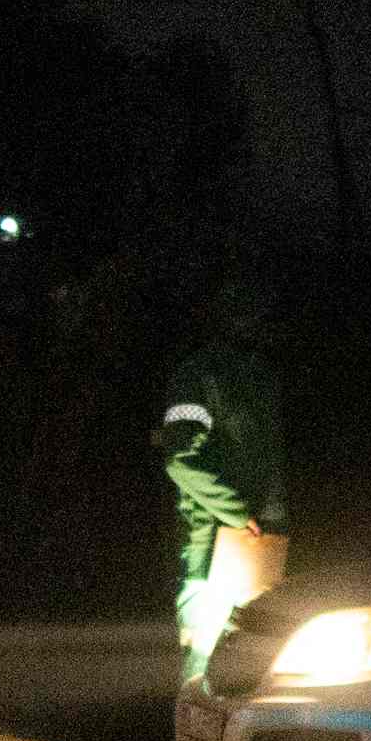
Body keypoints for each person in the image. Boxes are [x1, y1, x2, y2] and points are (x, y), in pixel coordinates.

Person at [159, 271, 289, 680]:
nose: (264, 325)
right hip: (214, 543)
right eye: (254, 316)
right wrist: (235, 511)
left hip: (259, 540)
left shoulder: (262, 375)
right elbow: (179, 458)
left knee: (248, 668)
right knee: (202, 665)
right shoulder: (197, 377)